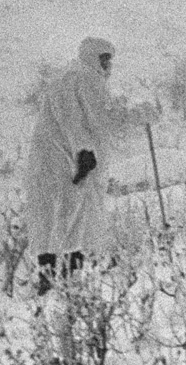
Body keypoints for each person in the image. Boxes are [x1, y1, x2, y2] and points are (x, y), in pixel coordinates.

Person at [23, 37, 155, 293]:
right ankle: (68, 284)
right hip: (72, 162)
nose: (108, 65)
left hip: (51, 161)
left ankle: (49, 283)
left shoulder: (65, 79)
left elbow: (73, 118)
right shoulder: (88, 79)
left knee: (51, 220)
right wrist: (139, 115)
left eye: (109, 60)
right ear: (92, 58)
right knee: (77, 221)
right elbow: (99, 120)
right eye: (104, 59)